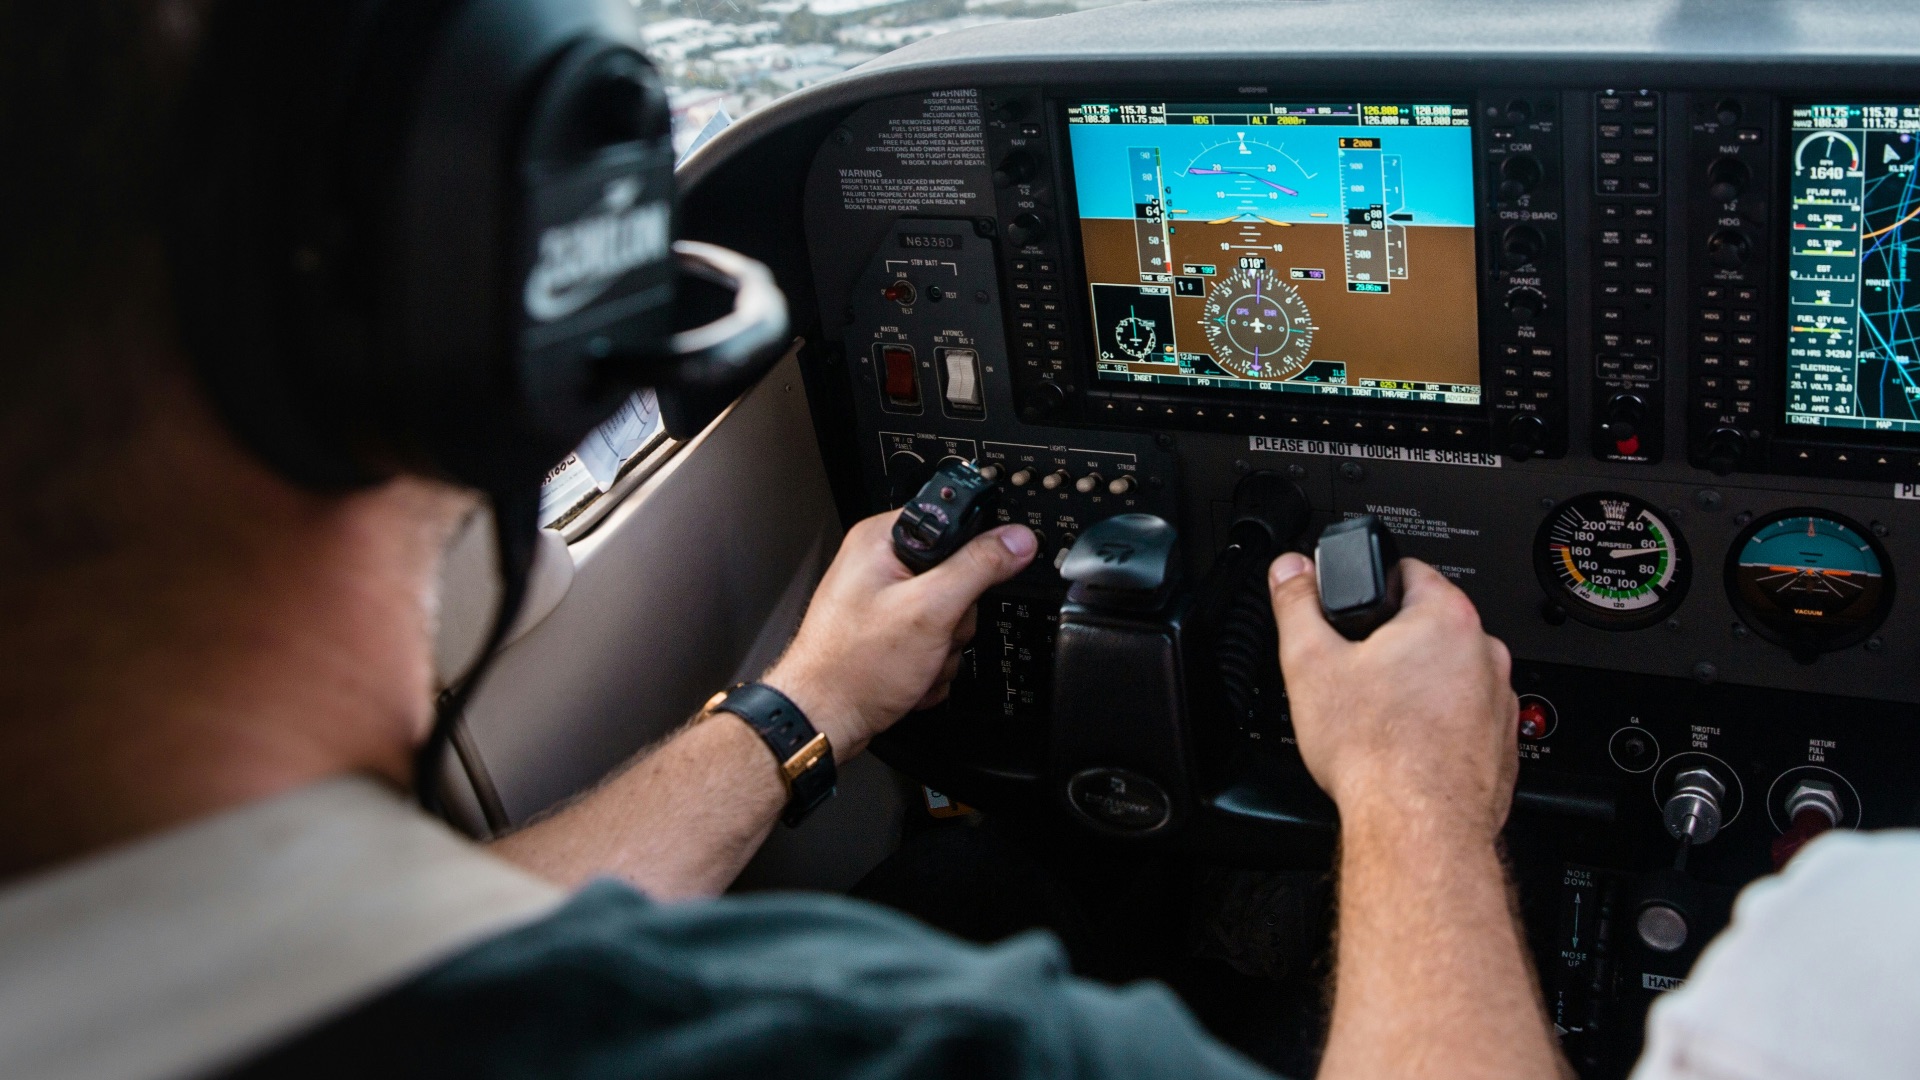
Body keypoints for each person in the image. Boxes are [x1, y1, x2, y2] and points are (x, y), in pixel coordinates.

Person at [21, 3, 1886, 1080]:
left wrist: (799, 704)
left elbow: (441, 948)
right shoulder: (934, 1054)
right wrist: (1409, 796)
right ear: (456, 317)